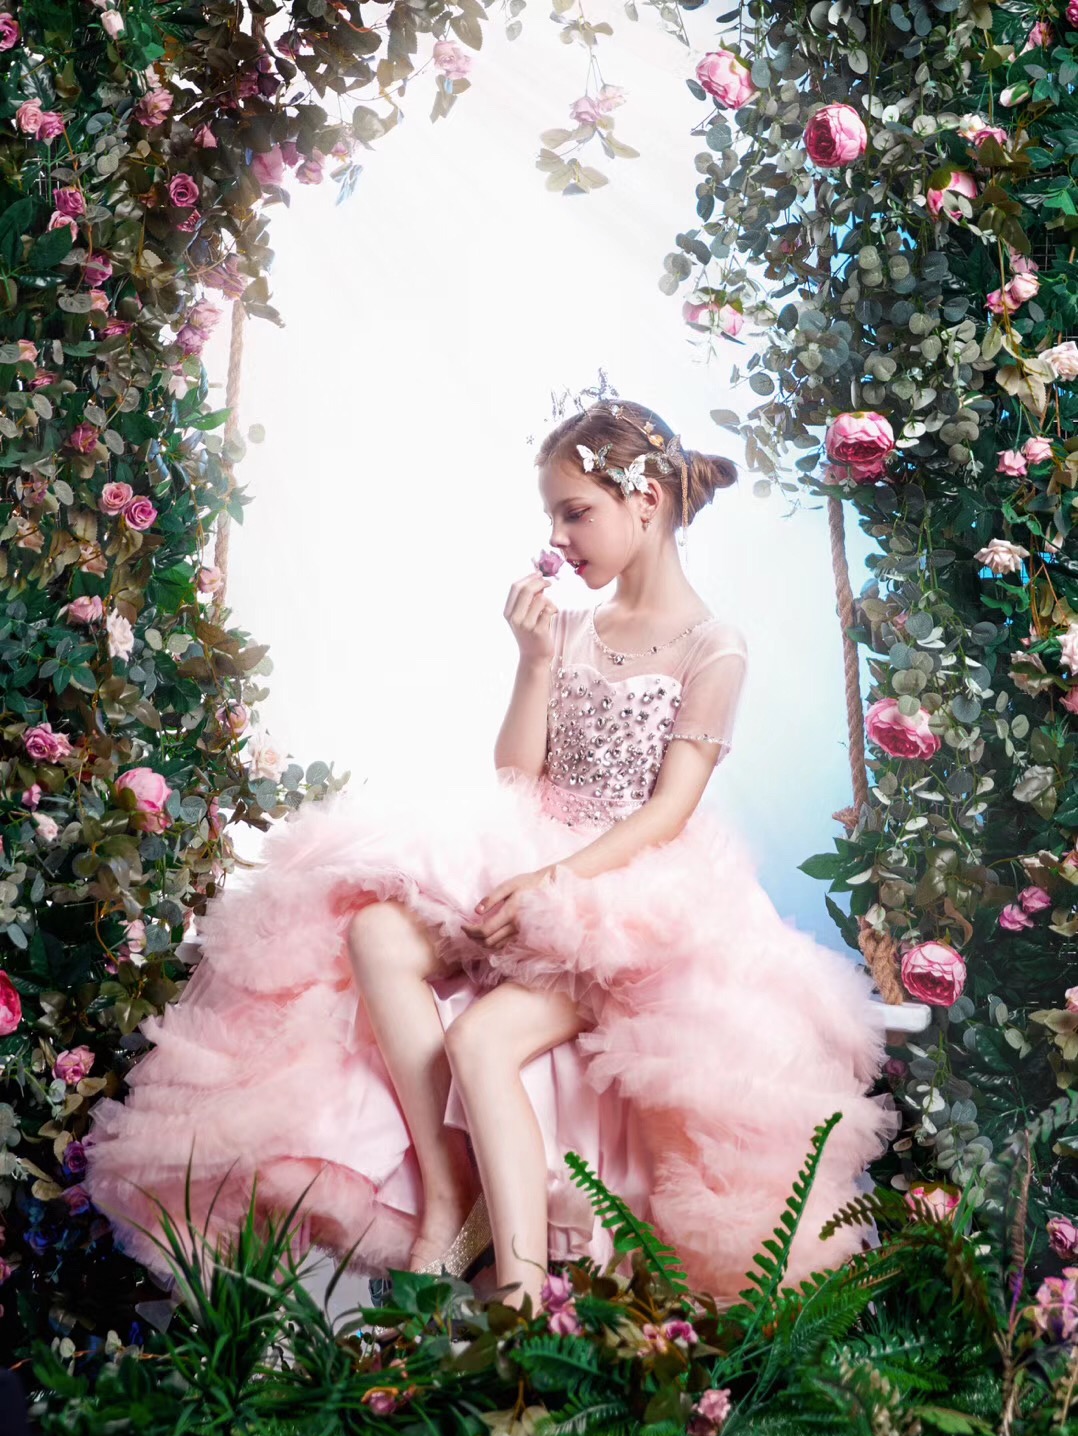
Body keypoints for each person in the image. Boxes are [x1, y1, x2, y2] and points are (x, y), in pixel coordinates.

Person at [84, 397, 896, 1313]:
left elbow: (670, 810)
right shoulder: (575, 630)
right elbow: (518, 776)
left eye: (575, 512)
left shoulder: (714, 646)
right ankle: (448, 1194)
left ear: (646, 501)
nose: (557, 537)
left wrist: (559, 881)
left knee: (482, 1038)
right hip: (535, 846)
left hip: (631, 894)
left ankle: (518, 1290)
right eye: (552, 516)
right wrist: (535, 661)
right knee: (376, 932)